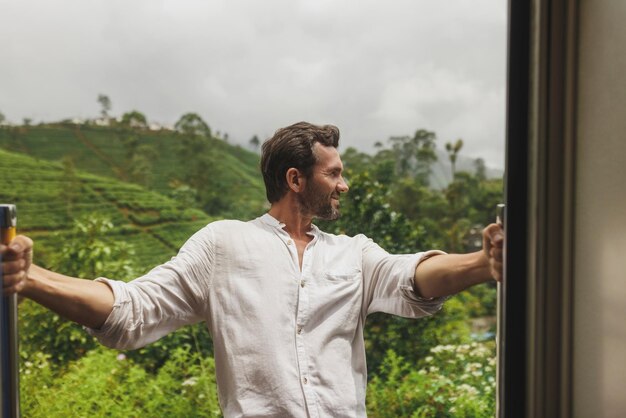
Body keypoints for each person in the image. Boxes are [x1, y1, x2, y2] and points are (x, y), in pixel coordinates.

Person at [1, 121, 503, 417]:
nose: (344, 185)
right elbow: (132, 310)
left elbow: (411, 278)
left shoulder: (353, 254)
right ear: (295, 179)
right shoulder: (224, 245)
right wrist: (30, 278)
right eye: (334, 173)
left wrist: (484, 264)